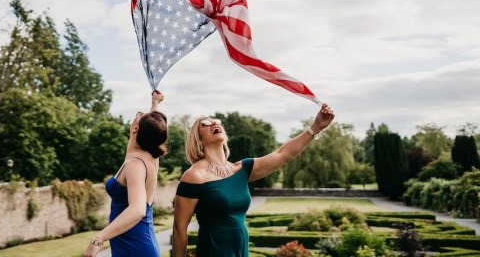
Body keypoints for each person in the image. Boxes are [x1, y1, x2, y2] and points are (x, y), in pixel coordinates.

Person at [172, 103, 335, 257]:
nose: (214, 123)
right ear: (198, 139)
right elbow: (179, 228)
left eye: (217, 121)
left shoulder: (242, 169)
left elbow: (283, 154)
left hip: (241, 250)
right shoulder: (194, 176)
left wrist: (316, 128)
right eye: (206, 123)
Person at [83, 91, 167, 257]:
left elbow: (138, 210)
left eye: (140, 115)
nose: (139, 113)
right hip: (131, 242)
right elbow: (155, 127)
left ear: (136, 128)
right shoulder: (149, 155)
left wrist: (98, 239)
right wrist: (155, 103)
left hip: (135, 247)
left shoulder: (135, 165)